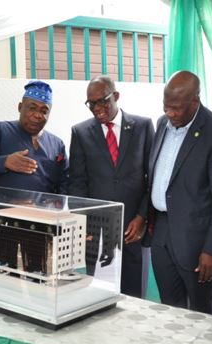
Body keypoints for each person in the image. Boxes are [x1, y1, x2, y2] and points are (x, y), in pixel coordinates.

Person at [148, 70, 212, 315]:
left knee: (202, 315)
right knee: (170, 310)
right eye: (166, 107)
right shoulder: (162, 123)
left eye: (176, 108)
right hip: (162, 233)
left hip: (197, 241)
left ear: (195, 102)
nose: (170, 113)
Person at [69, 76, 154, 298]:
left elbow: (152, 178)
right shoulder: (80, 132)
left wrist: (142, 217)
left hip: (133, 229)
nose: (97, 108)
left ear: (116, 96)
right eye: (91, 104)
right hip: (96, 232)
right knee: (99, 296)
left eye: (102, 101)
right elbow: (77, 182)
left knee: (134, 297)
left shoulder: (143, 126)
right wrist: (81, 223)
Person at [0, 80, 69, 253]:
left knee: (38, 273)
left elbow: (65, 183)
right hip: (3, 222)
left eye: (44, 111)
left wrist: (52, 207)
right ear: (20, 107)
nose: (38, 115)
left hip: (41, 226)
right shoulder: (0, 130)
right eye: (32, 107)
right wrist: (4, 162)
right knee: (1, 275)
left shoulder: (57, 144)